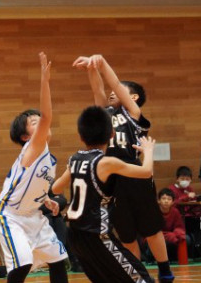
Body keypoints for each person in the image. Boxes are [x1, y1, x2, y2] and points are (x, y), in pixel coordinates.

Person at [73, 54, 173, 282]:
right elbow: (98, 90)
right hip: (111, 178)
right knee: (126, 234)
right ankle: (136, 274)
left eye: (120, 92)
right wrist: (91, 67)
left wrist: (102, 62)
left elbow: (114, 84)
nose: (112, 93)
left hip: (134, 173)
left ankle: (165, 270)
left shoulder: (132, 113)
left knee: (151, 228)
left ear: (133, 97)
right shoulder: (105, 114)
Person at [52, 106, 155, 283]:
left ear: (80, 136)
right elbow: (146, 172)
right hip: (98, 237)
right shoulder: (107, 163)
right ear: (112, 134)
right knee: (143, 280)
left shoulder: (74, 159)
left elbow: (55, 189)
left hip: (75, 236)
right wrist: (148, 150)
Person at [0, 52, 68, 283]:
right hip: (10, 214)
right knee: (22, 263)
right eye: (34, 123)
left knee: (57, 258)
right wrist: (44, 80)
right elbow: (47, 116)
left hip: (32, 214)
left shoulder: (47, 158)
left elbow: (29, 184)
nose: (42, 123)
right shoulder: (33, 148)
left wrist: (45, 199)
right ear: (26, 137)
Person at [167, 166, 201, 257]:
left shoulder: (190, 189)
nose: (185, 181)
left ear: (191, 180)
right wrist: (186, 197)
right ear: (177, 179)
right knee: (195, 224)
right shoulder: (171, 189)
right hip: (179, 219)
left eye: (187, 179)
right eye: (182, 178)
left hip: (190, 216)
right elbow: (173, 204)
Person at [157, 188, 186, 262]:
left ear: (173, 202)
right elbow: (152, 231)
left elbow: (179, 227)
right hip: (156, 237)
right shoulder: (154, 211)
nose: (166, 201)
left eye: (169, 199)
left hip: (172, 235)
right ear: (159, 200)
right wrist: (168, 235)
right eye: (163, 198)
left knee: (186, 239)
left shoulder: (175, 212)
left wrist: (177, 234)